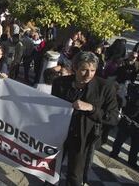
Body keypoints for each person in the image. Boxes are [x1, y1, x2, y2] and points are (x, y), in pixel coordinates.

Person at [51, 51, 119, 186]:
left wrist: (91, 109)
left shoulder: (105, 87)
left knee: (75, 176)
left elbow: (112, 118)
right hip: (59, 134)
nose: (89, 75)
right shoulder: (60, 83)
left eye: (93, 70)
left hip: (84, 138)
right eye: (84, 70)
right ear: (75, 68)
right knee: (50, 168)